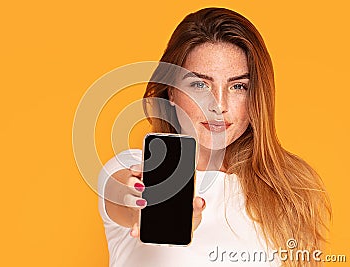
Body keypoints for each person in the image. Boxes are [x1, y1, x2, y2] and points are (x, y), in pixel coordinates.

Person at [97, 7, 331, 267]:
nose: (219, 105)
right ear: (171, 92)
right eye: (200, 85)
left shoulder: (288, 190)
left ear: (256, 98)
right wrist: (141, 204)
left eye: (238, 86)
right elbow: (122, 194)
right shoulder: (132, 166)